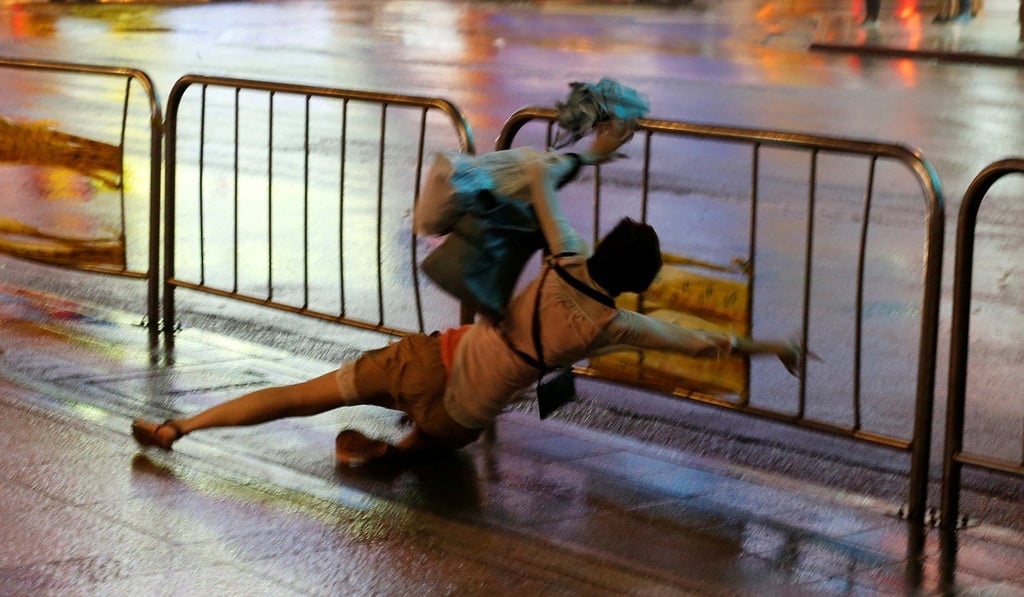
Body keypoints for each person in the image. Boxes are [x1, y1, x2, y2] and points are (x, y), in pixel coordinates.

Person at [132, 122, 810, 466]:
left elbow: (542, 176)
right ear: (636, 284)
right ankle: (399, 453)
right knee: (429, 443)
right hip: (461, 420)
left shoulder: (565, 259)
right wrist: (774, 344)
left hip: (431, 361)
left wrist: (597, 146)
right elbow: (702, 340)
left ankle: (181, 428)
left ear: (602, 249)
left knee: (302, 396)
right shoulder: (614, 328)